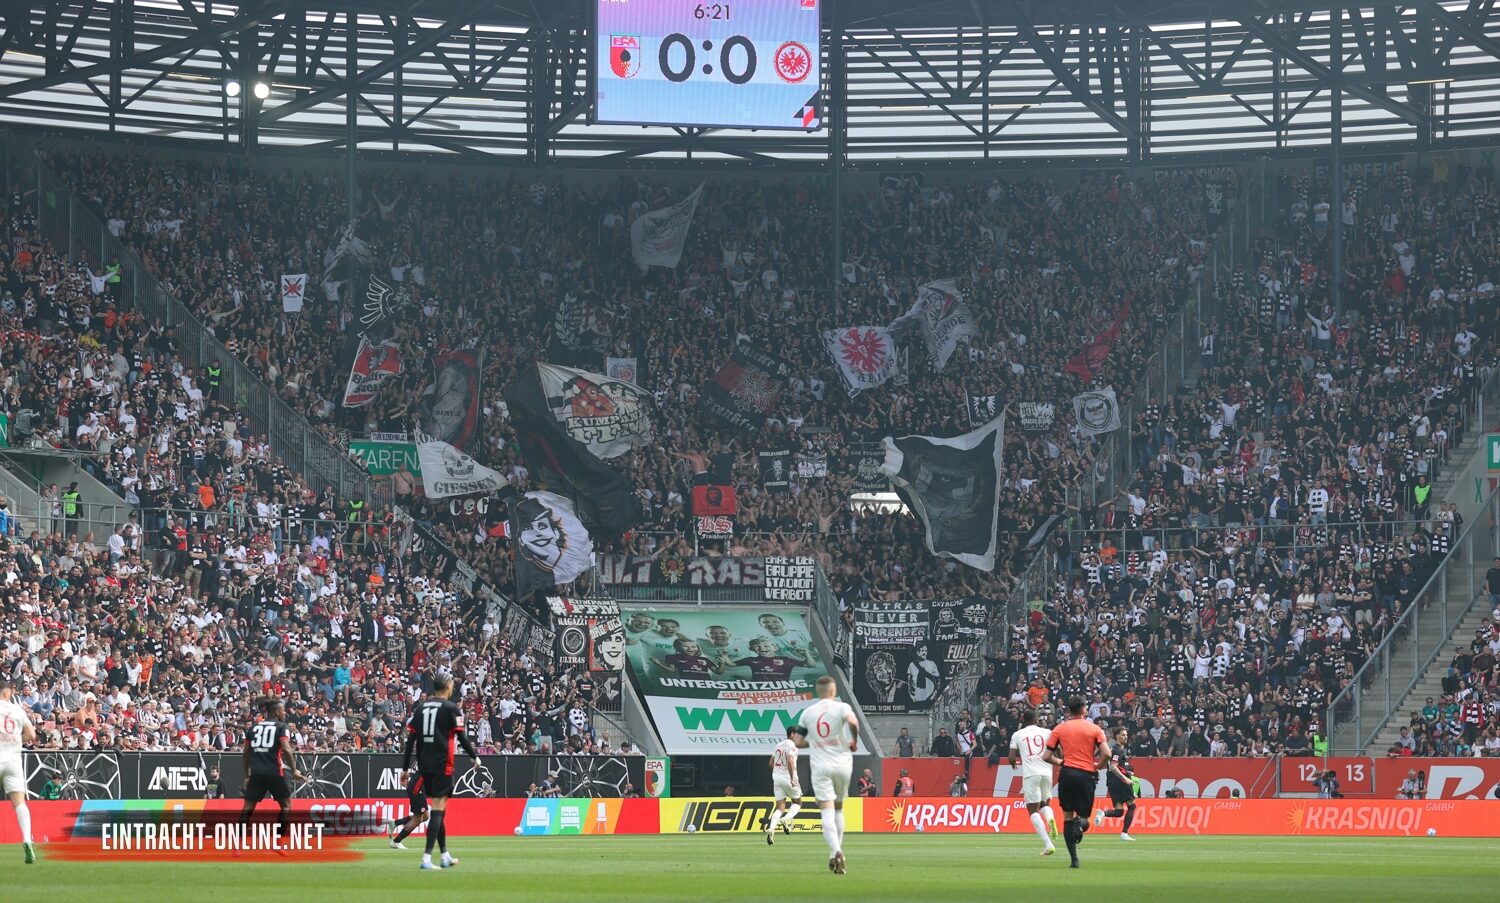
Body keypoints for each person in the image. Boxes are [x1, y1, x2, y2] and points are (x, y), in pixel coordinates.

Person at [402, 672, 480, 870]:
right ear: (447, 686)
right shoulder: (451, 708)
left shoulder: (420, 709)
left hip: (424, 765)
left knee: (439, 809)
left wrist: (404, 768)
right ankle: (427, 859)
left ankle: (445, 855)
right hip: (443, 764)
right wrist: (475, 756)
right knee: (437, 809)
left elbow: (410, 740)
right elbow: (461, 737)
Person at [793, 675, 858, 875]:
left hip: (821, 766)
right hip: (843, 765)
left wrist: (813, 742)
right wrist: (853, 740)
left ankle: (836, 851)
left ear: (818, 691)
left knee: (826, 811)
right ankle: (834, 853)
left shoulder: (808, 712)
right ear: (833, 690)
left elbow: (797, 741)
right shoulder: (842, 707)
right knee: (839, 810)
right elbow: (853, 722)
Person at [1043, 697, 1110, 869]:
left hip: (1067, 774)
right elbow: (1107, 754)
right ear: (1084, 710)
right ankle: (1079, 824)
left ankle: (1074, 859)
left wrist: (1061, 762)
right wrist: (1098, 766)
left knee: (1066, 817)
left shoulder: (1059, 729)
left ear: (1069, 711)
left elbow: (1046, 756)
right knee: (1084, 819)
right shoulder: (1094, 729)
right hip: (1086, 775)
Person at [240, 697, 305, 843]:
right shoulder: (282, 727)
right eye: (283, 710)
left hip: (256, 773)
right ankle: (277, 841)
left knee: (248, 808)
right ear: (276, 712)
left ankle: (237, 844)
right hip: (275, 772)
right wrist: (294, 770)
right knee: (286, 806)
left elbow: (245, 754)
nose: (285, 713)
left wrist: (247, 775)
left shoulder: (254, 728)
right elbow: (287, 750)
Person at [1008, 707, 1058, 856]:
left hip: (1031, 774)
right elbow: (1058, 750)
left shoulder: (1018, 734)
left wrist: (1013, 764)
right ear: (1037, 720)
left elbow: (1011, 757)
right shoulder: (1047, 732)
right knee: (1045, 804)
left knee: (1032, 810)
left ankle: (1048, 844)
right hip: (1047, 773)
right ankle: (1050, 819)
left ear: (1023, 720)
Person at [0, 678, 37, 863]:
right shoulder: (18, 710)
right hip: (13, 760)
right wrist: (14, 740)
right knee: (19, 803)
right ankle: (27, 840)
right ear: (8, 693)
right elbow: (31, 735)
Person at [1094, 727, 1137, 840]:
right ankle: (1124, 834)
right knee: (1132, 805)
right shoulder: (1117, 750)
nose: (1125, 737)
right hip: (1120, 782)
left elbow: (1112, 766)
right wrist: (1126, 779)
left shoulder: (1114, 750)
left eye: (1126, 735)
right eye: (1123, 735)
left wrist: (1127, 771)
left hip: (1112, 782)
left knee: (1119, 811)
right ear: (1116, 736)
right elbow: (1113, 767)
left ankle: (1103, 813)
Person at [766, 725, 805, 844]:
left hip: (777, 778)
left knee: (780, 806)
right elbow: (790, 761)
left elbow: (770, 763)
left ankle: (771, 829)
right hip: (788, 777)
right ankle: (786, 819)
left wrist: (778, 771)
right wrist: (792, 778)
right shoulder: (792, 746)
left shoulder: (778, 745)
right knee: (798, 802)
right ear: (792, 734)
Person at [390, 770, 430, 850]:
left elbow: (411, 772)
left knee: (425, 816)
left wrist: (408, 782)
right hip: (417, 790)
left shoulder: (422, 759)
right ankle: (396, 842)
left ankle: (396, 822)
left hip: (416, 788)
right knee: (417, 819)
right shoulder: (429, 760)